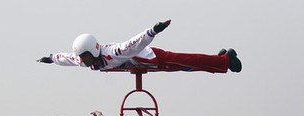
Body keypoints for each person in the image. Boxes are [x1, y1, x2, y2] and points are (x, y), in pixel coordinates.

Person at [37, 20, 242, 73]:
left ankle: (224, 62)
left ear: (93, 50)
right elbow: (67, 59)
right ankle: (219, 60)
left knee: (188, 62)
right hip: (147, 64)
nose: (82, 60)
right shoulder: (86, 61)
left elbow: (134, 43)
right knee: (189, 66)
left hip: (153, 58)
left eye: (84, 56)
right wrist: (51, 58)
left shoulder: (113, 53)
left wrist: (153, 31)